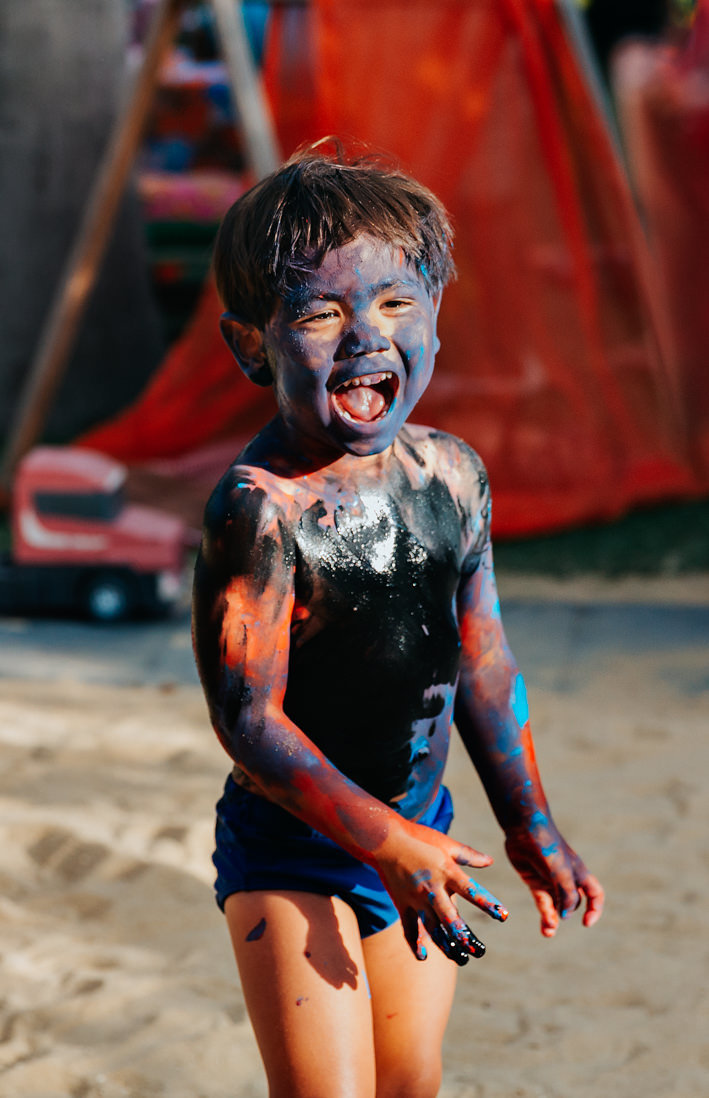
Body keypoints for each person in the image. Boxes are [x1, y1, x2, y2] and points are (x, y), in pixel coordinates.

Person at [191, 142, 604, 1098]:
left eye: (394, 303)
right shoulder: (259, 508)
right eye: (322, 311)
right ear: (252, 343)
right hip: (298, 848)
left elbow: (484, 663)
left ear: (435, 321)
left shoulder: (453, 476)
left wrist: (529, 823)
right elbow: (249, 723)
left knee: (408, 1085)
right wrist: (384, 844)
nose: (365, 336)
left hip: (423, 832)